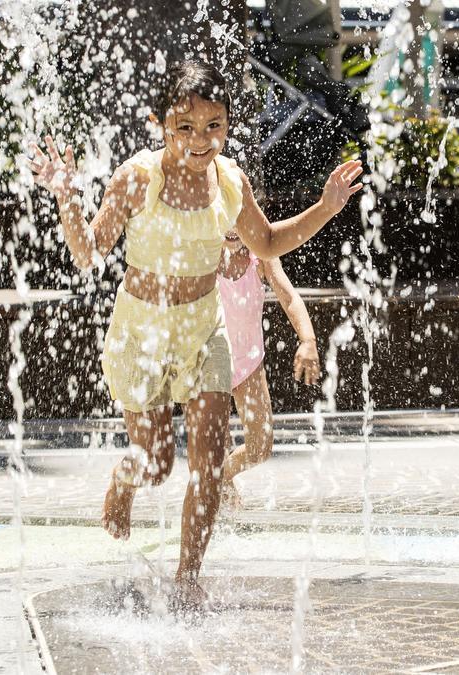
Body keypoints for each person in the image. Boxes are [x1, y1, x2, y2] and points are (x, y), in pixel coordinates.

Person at [27, 59, 362, 608]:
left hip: (205, 331)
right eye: (185, 127)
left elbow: (270, 244)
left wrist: (325, 208)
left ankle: (187, 578)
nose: (200, 140)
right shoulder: (137, 178)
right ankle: (125, 481)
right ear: (161, 125)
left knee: (208, 462)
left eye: (214, 126)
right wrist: (66, 192)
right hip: (143, 332)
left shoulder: (230, 182)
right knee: (158, 461)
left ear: (227, 126)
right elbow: (88, 253)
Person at [216, 232, 320, 511]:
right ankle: (214, 509)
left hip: (247, 362)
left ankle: (221, 476)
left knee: (260, 447)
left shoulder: (260, 252)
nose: (232, 228)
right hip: (208, 361)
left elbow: (289, 297)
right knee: (213, 446)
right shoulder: (205, 248)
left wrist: (308, 340)